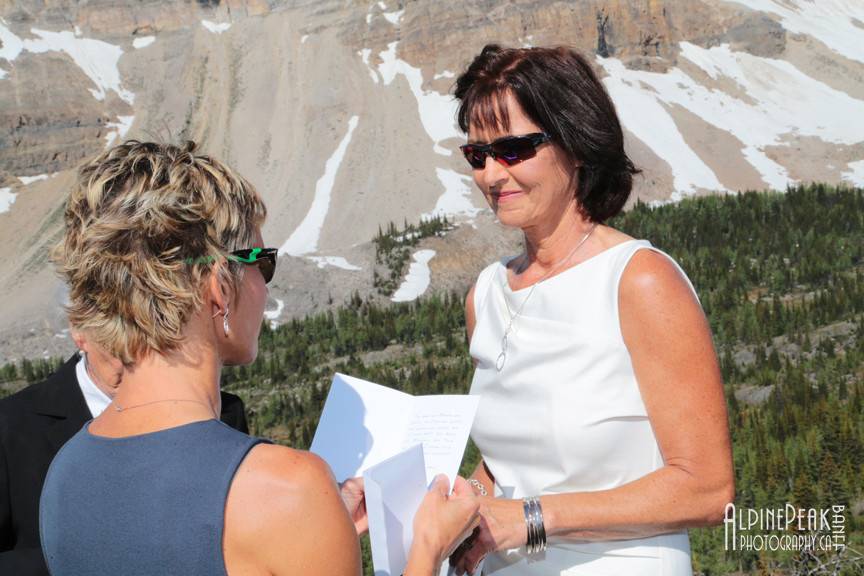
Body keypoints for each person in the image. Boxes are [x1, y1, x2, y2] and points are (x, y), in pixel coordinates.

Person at [38, 140, 479, 575]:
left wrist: (318, 530)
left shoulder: (64, 470)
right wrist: (428, 548)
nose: (266, 284)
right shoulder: (289, 488)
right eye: (260, 261)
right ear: (218, 287)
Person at [448, 45, 735, 575]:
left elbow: (708, 488)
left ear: (577, 144)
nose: (492, 174)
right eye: (477, 155)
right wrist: (459, 501)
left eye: (513, 149)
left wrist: (530, 519)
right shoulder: (485, 293)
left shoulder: (639, 280)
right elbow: (511, 459)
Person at [0, 335, 249, 576]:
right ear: (80, 330)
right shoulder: (11, 423)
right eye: (117, 326)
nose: (134, 347)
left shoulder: (223, 414)